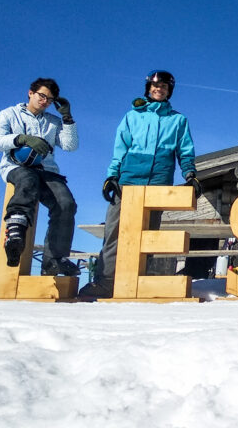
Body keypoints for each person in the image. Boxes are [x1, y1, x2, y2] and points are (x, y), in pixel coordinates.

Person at [81, 71, 198, 298]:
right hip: (128, 179)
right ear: (148, 88)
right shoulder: (132, 116)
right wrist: (111, 175)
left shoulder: (178, 120)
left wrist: (190, 174)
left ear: (169, 91)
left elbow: (185, 151)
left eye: (164, 86)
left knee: (148, 233)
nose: (159, 89)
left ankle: (139, 280)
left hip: (158, 180)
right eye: (155, 85)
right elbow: (120, 148)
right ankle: (105, 281)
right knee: (114, 230)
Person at [0, 77, 80, 275]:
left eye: (49, 99)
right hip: (16, 167)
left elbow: (71, 146)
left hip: (46, 171)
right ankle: (15, 231)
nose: (45, 101)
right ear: (30, 93)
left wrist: (67, 118)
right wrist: (21, 139)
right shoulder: (10, 114)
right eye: (42, 96)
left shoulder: (53, 122)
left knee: (66, 204)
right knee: (27, 181)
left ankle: (54, 260)